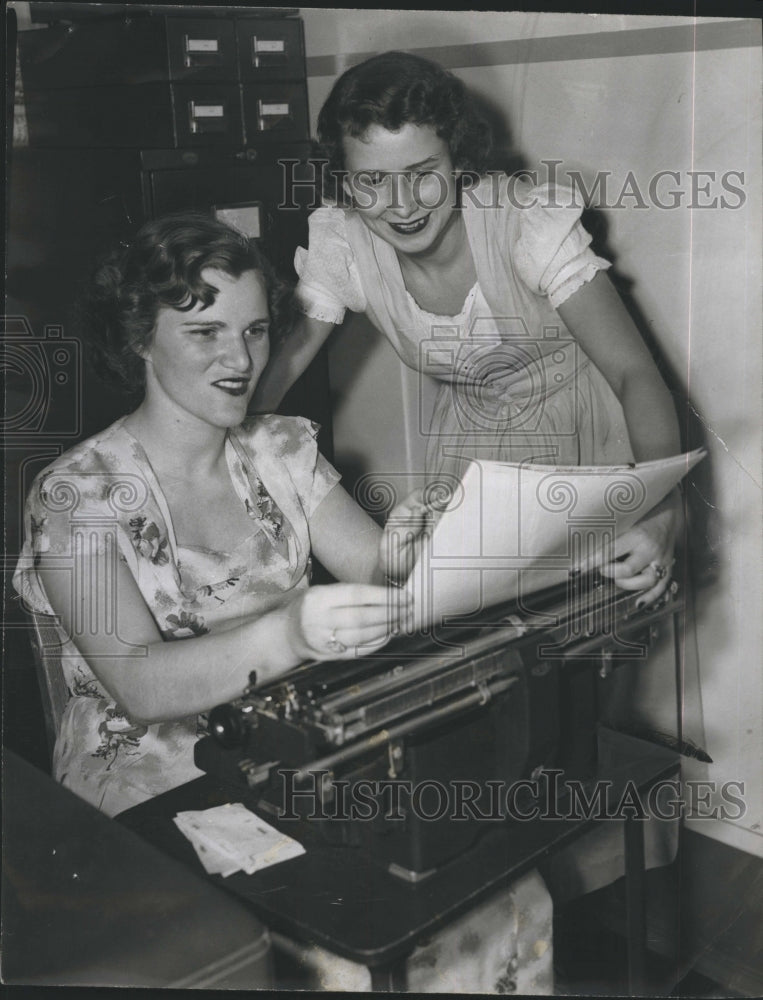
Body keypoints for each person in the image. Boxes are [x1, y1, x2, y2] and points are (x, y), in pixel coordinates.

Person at [13, 213, 425, 817]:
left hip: (289, 746)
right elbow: (141, 685)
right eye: (205, 333)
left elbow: (384, 579)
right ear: (140, 339)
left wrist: (414, 554)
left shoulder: (281, 450)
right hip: (150, 780)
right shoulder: (75, 496)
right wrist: (289, 634)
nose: (240, 359)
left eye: (256, 331)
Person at [252, 50, 681, 608]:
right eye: (372, 181)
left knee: (585, 647)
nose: (401, 205)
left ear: (458, 161)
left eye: (422, 174)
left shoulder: (526, 225)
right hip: (476, 461)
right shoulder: (343, 244)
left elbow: (633, 375)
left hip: (595, 450)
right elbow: (274, 378)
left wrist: (664, 512)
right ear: (345, 182)